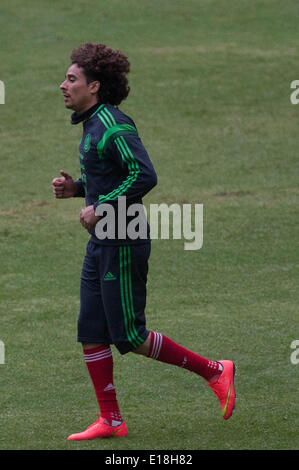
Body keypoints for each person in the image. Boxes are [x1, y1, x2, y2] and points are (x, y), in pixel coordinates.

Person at [52, 43, 236, 441]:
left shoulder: (113, 125)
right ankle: (111, 421)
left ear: (94, 86)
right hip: (102, 240)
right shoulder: (92, 123)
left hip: (122, 238)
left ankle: (216, 371)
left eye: (71, 79)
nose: (63, 86)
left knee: (130, 336)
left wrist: (100, 205)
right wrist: (78, 189)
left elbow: (144, 175)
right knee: (91, 332)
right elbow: (110, 175)